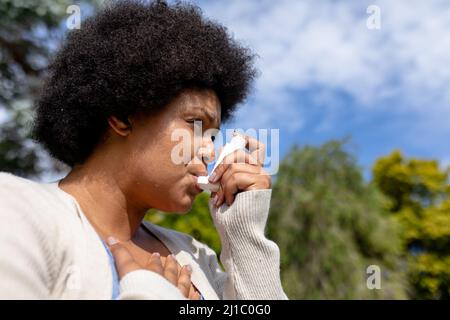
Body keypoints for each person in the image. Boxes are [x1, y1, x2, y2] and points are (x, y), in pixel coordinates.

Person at [0, 0, 287, 300]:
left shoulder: (194, 257)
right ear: (123, 115)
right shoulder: (17, 211)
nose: (209, 151)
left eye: (213, 136)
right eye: (196, 124)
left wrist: (245, 236)